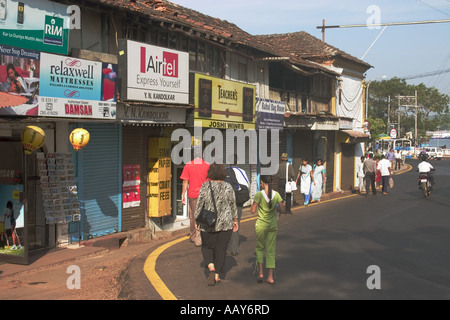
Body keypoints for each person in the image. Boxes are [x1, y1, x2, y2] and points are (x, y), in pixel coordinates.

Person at [194, 163, 238, 286]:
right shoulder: (228, 187)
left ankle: (211, 267)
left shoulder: (205, 186)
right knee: (221, 250)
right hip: (226, 223)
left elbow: (199, 205)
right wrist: (235, 220)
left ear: (210, 173)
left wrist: (196, 220)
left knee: (207, 247)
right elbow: (233, 205)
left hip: (208, 223)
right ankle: (217, 275)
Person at [251, 175, 285, 284]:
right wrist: (276, 209)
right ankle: (270, 277)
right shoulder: (276, 195)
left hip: (261, 225)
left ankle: (261, 273)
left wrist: (256, 204)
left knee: (260, 248)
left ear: (262, 182)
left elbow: (252, 210)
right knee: (270, 250)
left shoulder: (259, 195)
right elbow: (283, 210)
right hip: (272, 225)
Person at [180, 147, 210, 247]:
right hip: (204, 194)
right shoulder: (207, 166)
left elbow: (185, 181)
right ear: (202, 155)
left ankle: (194, 237)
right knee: (202, 215)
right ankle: (200, 237)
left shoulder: (188, 166)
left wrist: (182, 194)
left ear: (193, 155)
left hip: (192, 195)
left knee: (193, 216)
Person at [225, 155, 250, 256]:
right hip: (236, 201)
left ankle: (223, 246)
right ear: (237, 162)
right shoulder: (241, 171)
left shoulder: (224, 171)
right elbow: (247, 185)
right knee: (235, 223)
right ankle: (234, 249)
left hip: (224, 200)